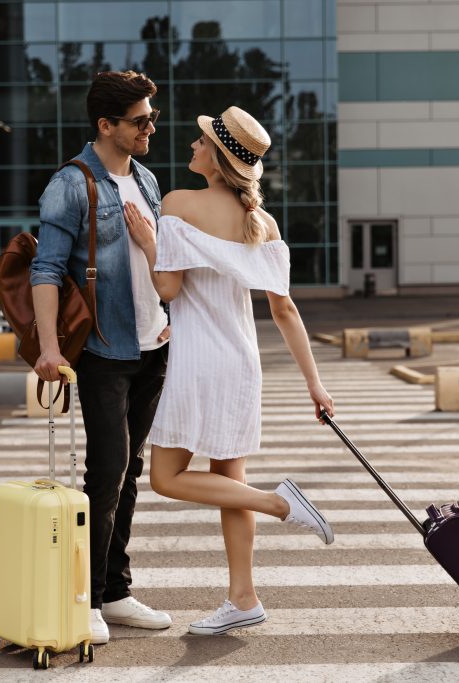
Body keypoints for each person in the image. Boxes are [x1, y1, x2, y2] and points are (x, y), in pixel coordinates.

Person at [123, 106, 336, 636]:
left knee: (166, 478)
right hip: (241, 362)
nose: (191, 147)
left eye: (200, 143)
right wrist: (315, 383)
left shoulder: (177, 204)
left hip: (198, 362)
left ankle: (279, 504)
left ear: (217, 159)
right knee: (227, 481)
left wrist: (150, 243)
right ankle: (243, 597)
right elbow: (284, 311)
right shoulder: (260, 222)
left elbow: (167, 290)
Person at [29, 71, 172, 645]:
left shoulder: (147, 180)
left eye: (151, 119)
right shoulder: (73, 183)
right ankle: (84, 596)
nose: (149, 128)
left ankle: (116, 591)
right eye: (140, 121)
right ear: (106, 126)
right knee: (106, 471)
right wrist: (45, 348)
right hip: (102, 348)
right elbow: (45, 271)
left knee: (130, 470)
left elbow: (161, 265)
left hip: (153, 343)